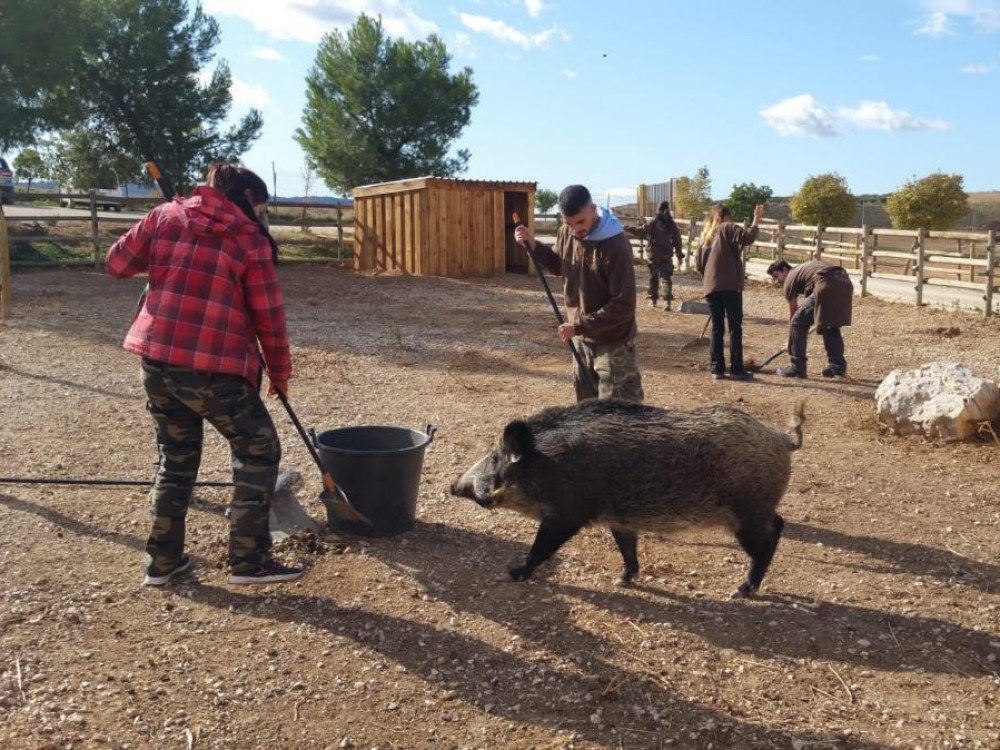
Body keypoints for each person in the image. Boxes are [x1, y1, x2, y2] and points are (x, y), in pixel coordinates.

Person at [106, 162, 305, 586]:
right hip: (213, 369)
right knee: (258, 450)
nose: (262, 217)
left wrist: (166, 249)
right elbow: (269, 318)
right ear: (248, 199)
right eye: (262, 208)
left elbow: (117, 263)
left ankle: (162, 563)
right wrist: (280, 373)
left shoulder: (164, 216)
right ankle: (249, 561)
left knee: (175, 459)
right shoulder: (248, 239)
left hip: (157, 360)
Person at [514, 184, 643, 402]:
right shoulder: (567, 232)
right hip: (581, 340)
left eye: (580, 222)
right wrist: (533, 245)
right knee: (585, 414)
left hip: (612, 344)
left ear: (593, 209)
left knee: (619, 415)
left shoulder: (616, 245)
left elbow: (624, 306)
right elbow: (559, 265)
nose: (575, 230)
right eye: (569, 223)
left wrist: (578, 326)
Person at [695, 202, 765, 381]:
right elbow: (746, 238)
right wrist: (756, 221)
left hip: (711, 288)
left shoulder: (706, 237)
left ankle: (717, 369)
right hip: (729, 287)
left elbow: (699, 265)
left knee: (717, 328)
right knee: (734, 328)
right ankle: (736, 369)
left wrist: (710, 279)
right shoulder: (727, 227)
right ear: (726, 216)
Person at [766, 259, 853, 379]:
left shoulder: (790, 278)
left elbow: (794, 316)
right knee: (829, 326)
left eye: (776, 276)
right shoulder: (803, 270)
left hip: (826, 283)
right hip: (845, 283)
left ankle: (797, 367)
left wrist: (790, 342)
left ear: (785, 269)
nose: (776, 281)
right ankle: (837, 368)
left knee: (797, 322)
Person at [625, 200, 684, 310]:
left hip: (654, 255)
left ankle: (654, 301)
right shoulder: (671, 224)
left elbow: (641, 232)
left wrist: (625, 228)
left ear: (658, 209)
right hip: (667, 255)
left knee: (654, 278)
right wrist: (679, 255)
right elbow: (677, 240)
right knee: (666, 278)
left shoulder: (653, 221)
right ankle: (667, 303)